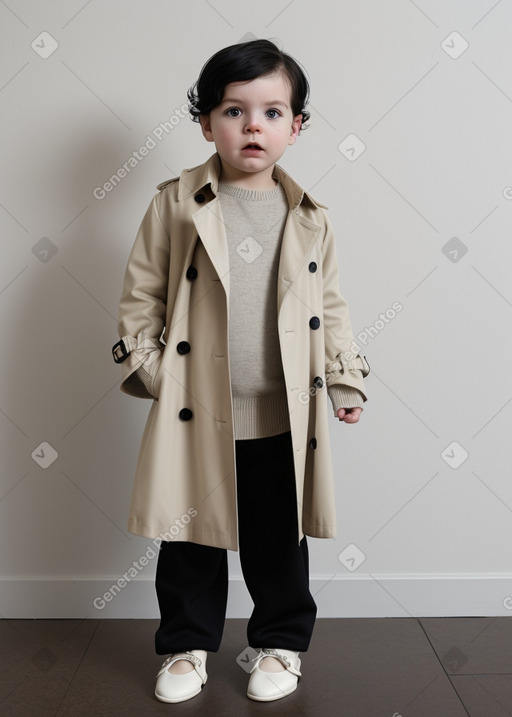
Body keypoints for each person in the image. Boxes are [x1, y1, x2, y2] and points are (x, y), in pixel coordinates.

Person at [112, 38, 370, 704]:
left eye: (272, 111)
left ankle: (280, 643)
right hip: (196, 406)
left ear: (296, 127)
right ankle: (186, 646)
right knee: (190, 534)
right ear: (205, 123)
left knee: (276, 536)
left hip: (282, 410)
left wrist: (345, 378)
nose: (253, 125)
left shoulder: (309, 217)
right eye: (234, 109)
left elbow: (331, 307)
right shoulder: (176, 202)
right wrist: (153, 372)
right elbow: (141, 294)